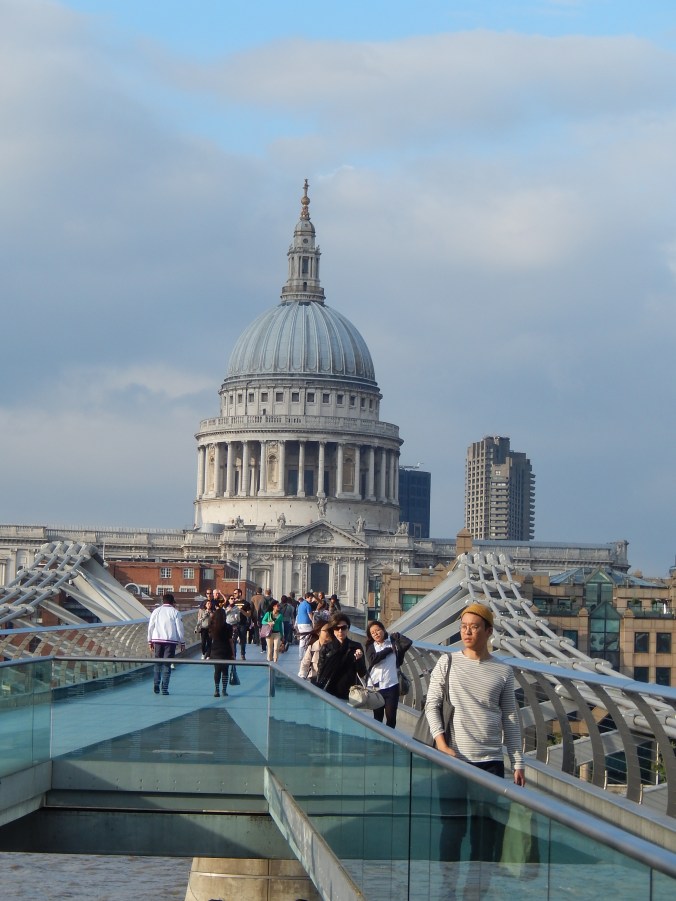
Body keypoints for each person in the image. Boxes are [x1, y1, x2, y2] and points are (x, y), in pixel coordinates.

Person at [424, 602, 525, 878]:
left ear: (488, 631)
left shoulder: (503, 671)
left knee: (485, 832)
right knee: (453, 828)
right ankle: (447, 886)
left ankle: (476, 889)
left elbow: (511, 719)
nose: (467, 632)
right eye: (464, 627)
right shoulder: (447, 662)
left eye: (474, 627)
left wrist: (517, 762)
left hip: (490, 762)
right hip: (453, 760)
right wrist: (442, 745)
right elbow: (431, 704)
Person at [365, 621, 412, 728]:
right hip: (376, 686)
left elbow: (408, 643)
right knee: (377, 718)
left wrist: (398, 636)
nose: (376, 634)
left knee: (391, 718)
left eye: (377, 630)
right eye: (372, 633)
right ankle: (377, 740)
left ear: (383, 629)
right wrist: (388, 650)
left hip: (391, 685)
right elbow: (372, 660)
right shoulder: (371, 646)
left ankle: (390, 740)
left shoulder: (393, 643)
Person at [316, 613, 366, 700]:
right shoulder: (327, 648)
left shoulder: (355, 646)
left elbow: (362, 672)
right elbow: (320, 671)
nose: (340, 631)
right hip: (329, 690)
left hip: (350, 692)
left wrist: (359, 659)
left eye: (343, 628)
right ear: (332, 629)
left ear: (348, 628)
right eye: (336, 628)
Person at [147, 593, 185, 695]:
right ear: (173, 602)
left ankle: (156, 683)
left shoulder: (156, 611)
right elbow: (180, 628)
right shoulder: (175, 612)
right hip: (170, 641)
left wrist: (150, 640)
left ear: (163, 601)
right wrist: (182, 642)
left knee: (157, 662)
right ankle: (164, 688)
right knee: (167, 664)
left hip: (157, 639)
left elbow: (150, 626)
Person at [209, 602, 234, 697]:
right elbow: (230, 641)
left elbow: (210, 639)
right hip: (226, 650)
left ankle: (216, 689)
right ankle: (224, 690)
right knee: (225, 671)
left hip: (215, 650)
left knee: (217, 670)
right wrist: (233, 654)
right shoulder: (228, 627)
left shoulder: (213, 626)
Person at [295, 591, 315, 660]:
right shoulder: (307, 605)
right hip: (306, 624)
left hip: (300, 623)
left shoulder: (301, 604)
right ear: (307, 597)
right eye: (310, 598)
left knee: (302, 640)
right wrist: (313, 623)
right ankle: (307, 655)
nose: (311, 599)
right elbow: (310, 615)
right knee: (309, 639)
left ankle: (301, 656)